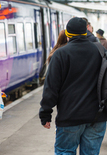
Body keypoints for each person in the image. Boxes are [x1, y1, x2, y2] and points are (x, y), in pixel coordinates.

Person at [39, 17, 107, 155]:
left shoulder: (60, 54)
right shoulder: (100, 52)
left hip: (70, 116)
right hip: (97, 116)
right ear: (86, 31)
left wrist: (45, 113)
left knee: (65, 152)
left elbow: (51, 88)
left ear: (68, 34)